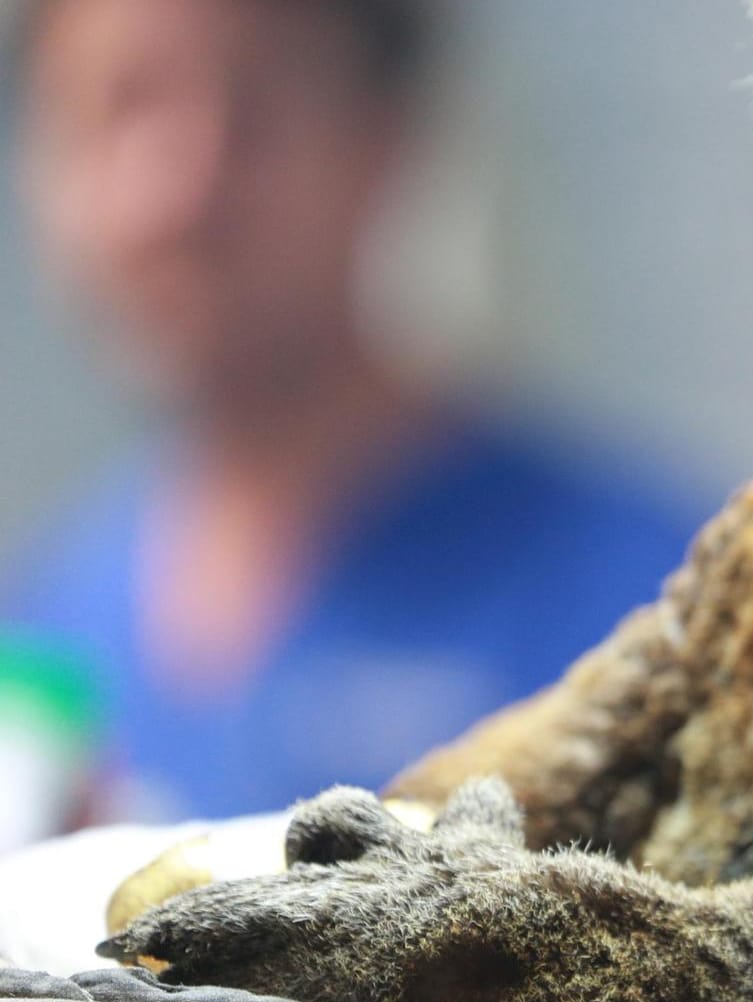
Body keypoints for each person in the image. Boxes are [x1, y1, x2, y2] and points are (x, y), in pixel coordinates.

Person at [0, 0, 702, 830]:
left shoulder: (658, 612)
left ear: (388, 137)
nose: (176, 192)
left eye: (253, 111)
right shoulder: (39, 637)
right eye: (121, 105)